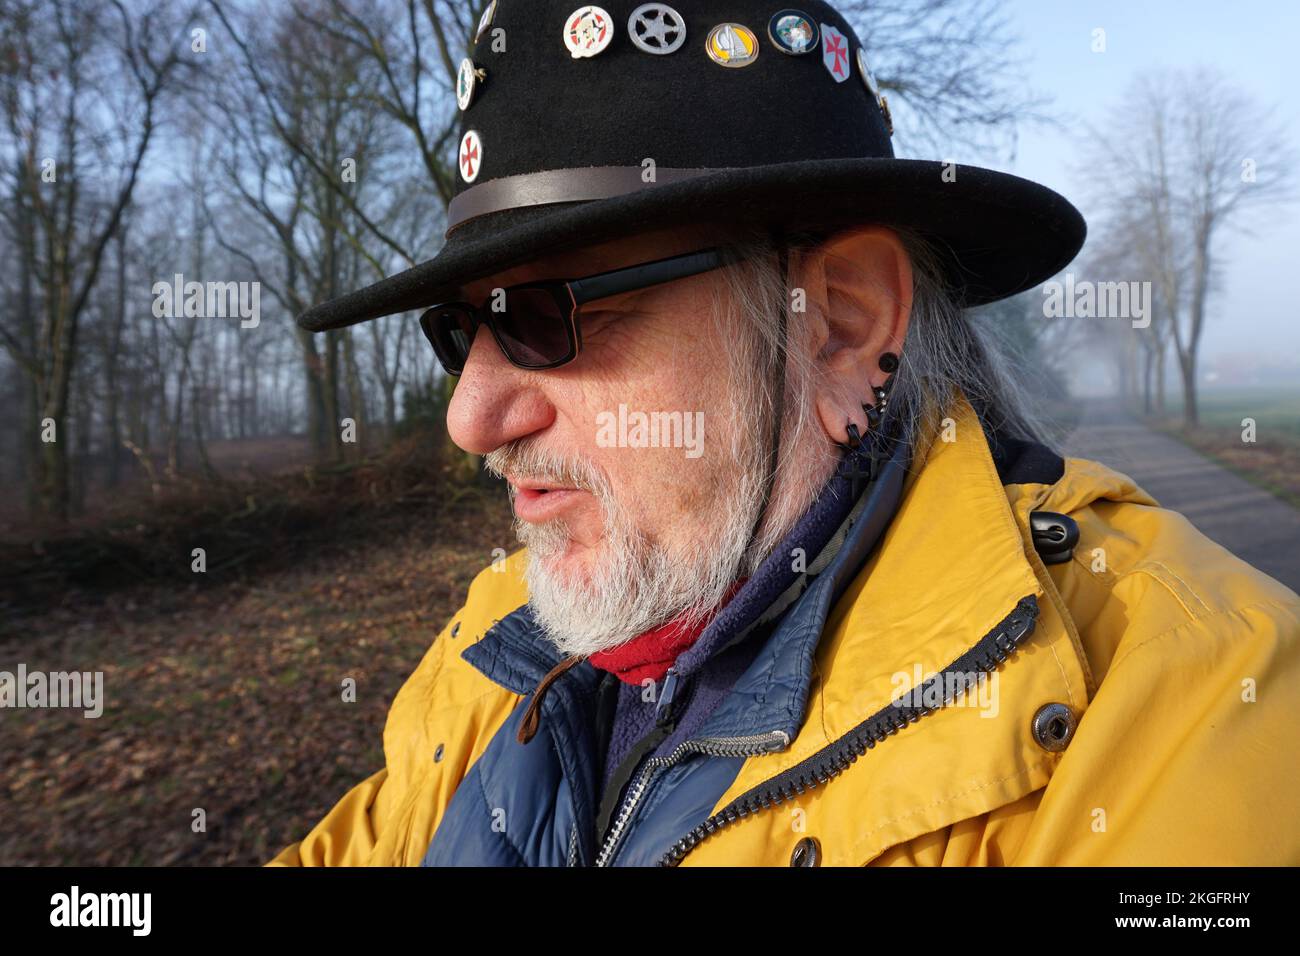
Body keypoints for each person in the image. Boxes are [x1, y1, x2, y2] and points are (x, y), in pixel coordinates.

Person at [268, 0, 1300, 866]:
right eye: (460, 329)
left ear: (842, 323)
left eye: (544, 315)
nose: (470, 418)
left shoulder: (1184, 703)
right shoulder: (500, 646)